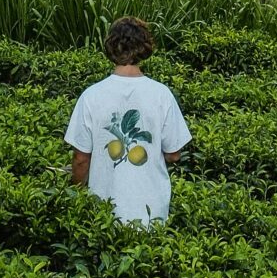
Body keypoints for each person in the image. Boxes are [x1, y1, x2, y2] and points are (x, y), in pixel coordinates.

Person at [65, 17, 191, 227]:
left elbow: (80, 159)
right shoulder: (162, 95)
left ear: (111, 47)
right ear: (145, 47)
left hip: (103, 215)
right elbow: (174, 154)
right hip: (152, 213)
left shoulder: (91, 96)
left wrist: (77, 194)